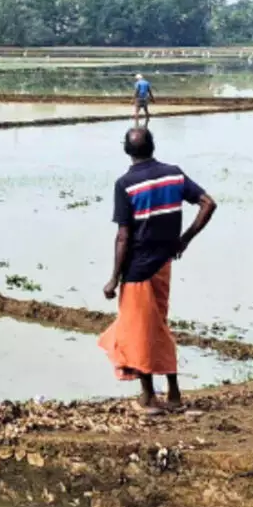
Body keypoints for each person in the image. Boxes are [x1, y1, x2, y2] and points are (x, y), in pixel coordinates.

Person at [99, 126, 218, 414]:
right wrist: (184, 239)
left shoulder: (125, 184)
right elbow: (208, 203)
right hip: (164, 264)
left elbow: (124, 236)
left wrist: (114, 277)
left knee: (141, 331)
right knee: (154, 325)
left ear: (126, 150)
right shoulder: (173, 174)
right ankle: (170, 393)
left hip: (138, 268)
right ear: (152, 146)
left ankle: (151, 396)